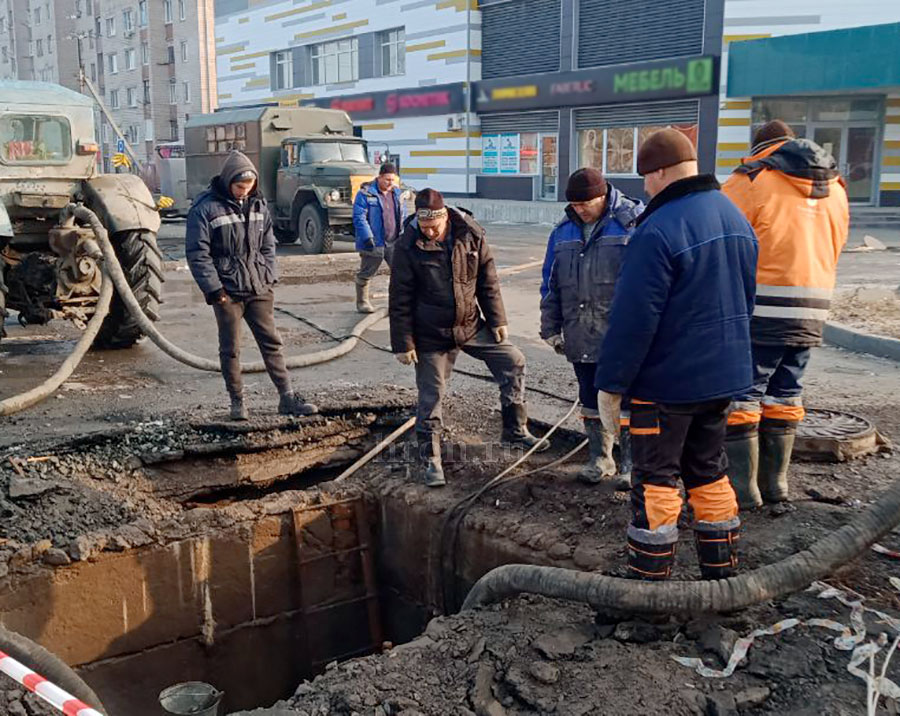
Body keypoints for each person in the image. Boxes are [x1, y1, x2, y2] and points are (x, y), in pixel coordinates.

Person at [595, 129, 758, 580]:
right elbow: (744, 298)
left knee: (656, 480)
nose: (644, 188)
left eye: (646, 178)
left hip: (666, 385)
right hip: (721, 379)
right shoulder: (733, 214)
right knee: (709, 471)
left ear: (661, 172)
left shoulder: (658, 229)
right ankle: (721, 577)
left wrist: (610, 384)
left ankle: (650, 594)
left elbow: (633, 320)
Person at [722, 120, 849, 509]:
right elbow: (838, 242)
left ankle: (743, 491)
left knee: (744, 397)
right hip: (812, 310)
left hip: (761, 308)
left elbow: (721, 239)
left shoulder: (752, 179)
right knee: (785, 393)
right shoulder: (837, 187)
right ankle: (776, 486)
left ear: (760, 147)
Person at [389, 189, 549, 487]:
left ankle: (515, 429)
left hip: (470, 325)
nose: (430, 232)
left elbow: (488, 279)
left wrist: (498, 319)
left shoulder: (470, 234)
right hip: (431, 335)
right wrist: (403, 342)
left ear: (445, 217)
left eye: (434, 227)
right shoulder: (408, 245)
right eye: (424, 228)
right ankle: (431, 459)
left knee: (513, 361)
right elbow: (399, 297)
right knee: (431, 396)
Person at [186, 150, 319, 421]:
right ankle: (237, 403)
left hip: (259, 288)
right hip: (228, 293)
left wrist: (269, 275)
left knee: (272, 343)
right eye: (239, 187)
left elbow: (269, 245)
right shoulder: (205, 209)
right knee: (230, 349)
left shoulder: (258, 205)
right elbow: (198, 254)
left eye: (248, 187)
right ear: (227, 182)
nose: (243, 192)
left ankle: (287, 398)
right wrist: (215, 291)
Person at [539, 167, 643, 487]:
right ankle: (600, 458)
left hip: (621, 336)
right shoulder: (563, 232)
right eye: (575, 205)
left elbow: (649, 283)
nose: (580, 210)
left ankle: (630, 463)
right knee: (589, 396)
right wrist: (551, 327)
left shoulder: (632, 223)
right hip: (580, 330)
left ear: (603, 196)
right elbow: (550, 284)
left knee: (626, 399)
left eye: (587, 203)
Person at [353, 163, 404, 314]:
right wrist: (367, 236)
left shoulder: (396, 193)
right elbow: (359, 217)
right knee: (367, 272)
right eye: (387, 179)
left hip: (393, 241)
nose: (390, 183)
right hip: (374, 242)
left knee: (400, 273)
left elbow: (402, 215)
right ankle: (362, 302)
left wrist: (403, 234)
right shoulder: (366, 193)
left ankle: (398, 303)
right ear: (380, 177)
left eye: (393, 180)